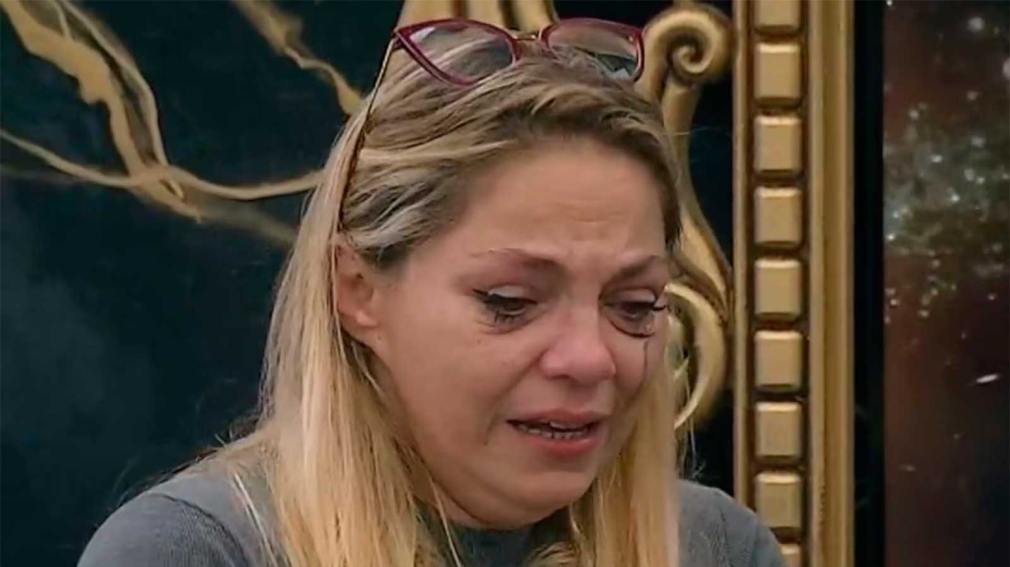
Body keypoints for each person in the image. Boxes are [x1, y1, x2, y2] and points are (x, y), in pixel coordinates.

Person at [78, 18, 785, 567]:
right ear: (360, 291)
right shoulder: (193, 551)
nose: (590, 358)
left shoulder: (716, 547)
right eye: (510, 302)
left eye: (634, 307)